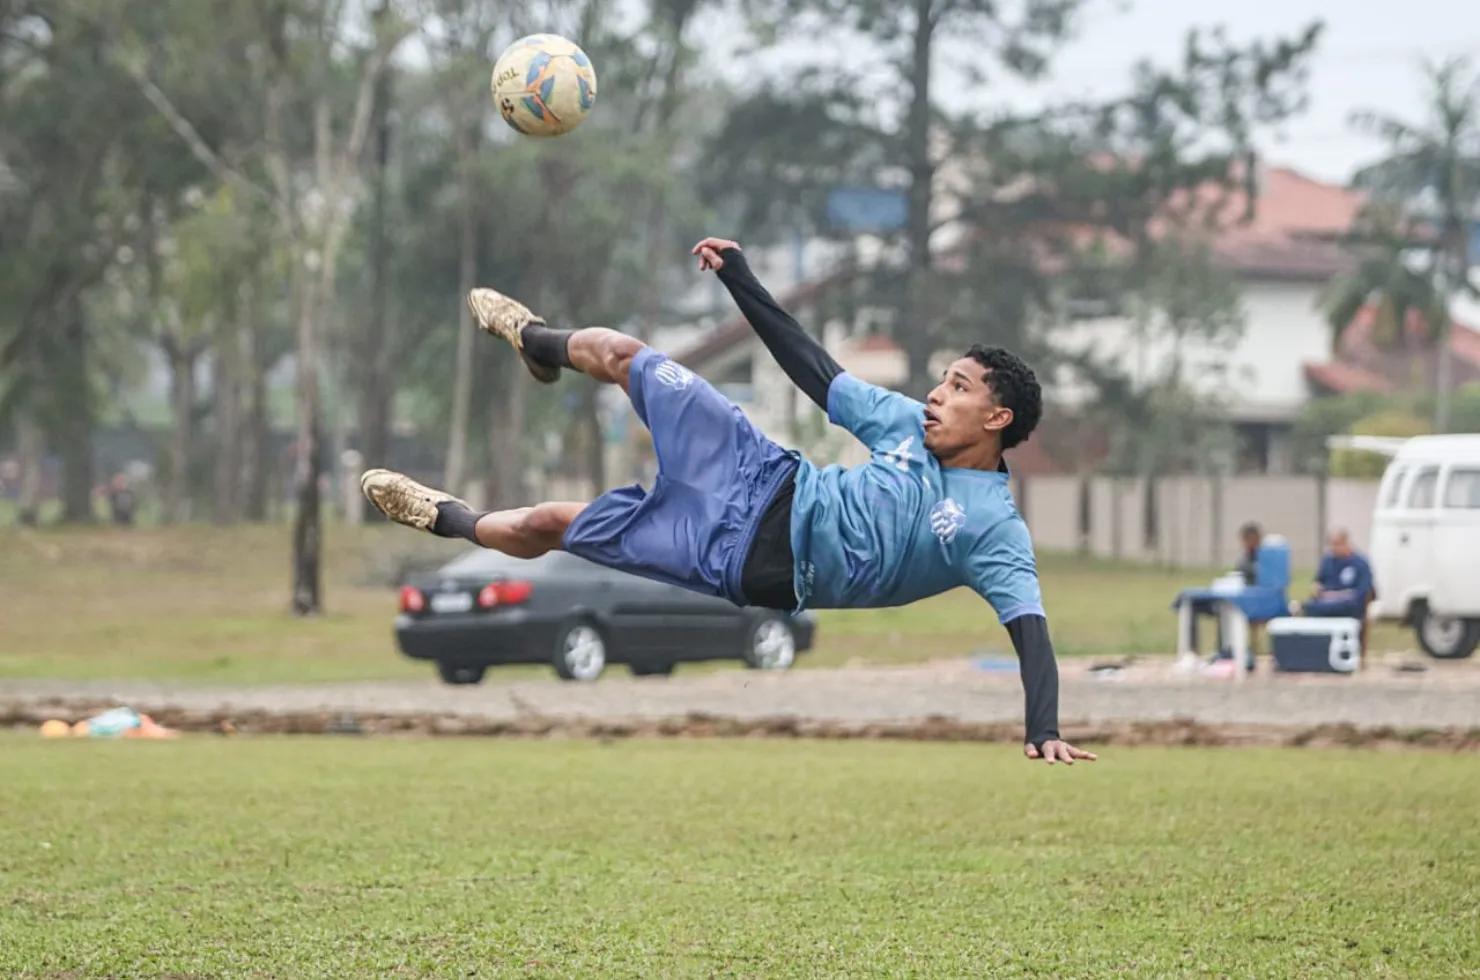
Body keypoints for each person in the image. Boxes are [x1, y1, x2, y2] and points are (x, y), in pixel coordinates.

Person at [360, 237, 1095, 766]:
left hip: (745, 562)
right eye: (943, 379)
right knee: (628, 356)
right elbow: (814, 368)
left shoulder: (994, 527)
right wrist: (740, 279)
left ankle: (442, 516)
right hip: (761, 472)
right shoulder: (904, 423)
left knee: (555, 523)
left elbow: (1029, 631)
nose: (937, 393)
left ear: (997, 420)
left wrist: (1044, 726)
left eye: (959, 388)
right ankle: (535, 338)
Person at [1291, 529, 1373, 619]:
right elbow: (1319, 580)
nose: (1334, 548)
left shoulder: (1360, 563)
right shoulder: (1327, 561)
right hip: (1326, 599)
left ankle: (1304, 608)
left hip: (1348, 602)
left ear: (1347, 544)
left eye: (1337, 544)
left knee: (1347, 605)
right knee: (1314, 604)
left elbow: (1363, 590)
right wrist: (1316, 587)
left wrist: (1338, 595)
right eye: (1332, 544)